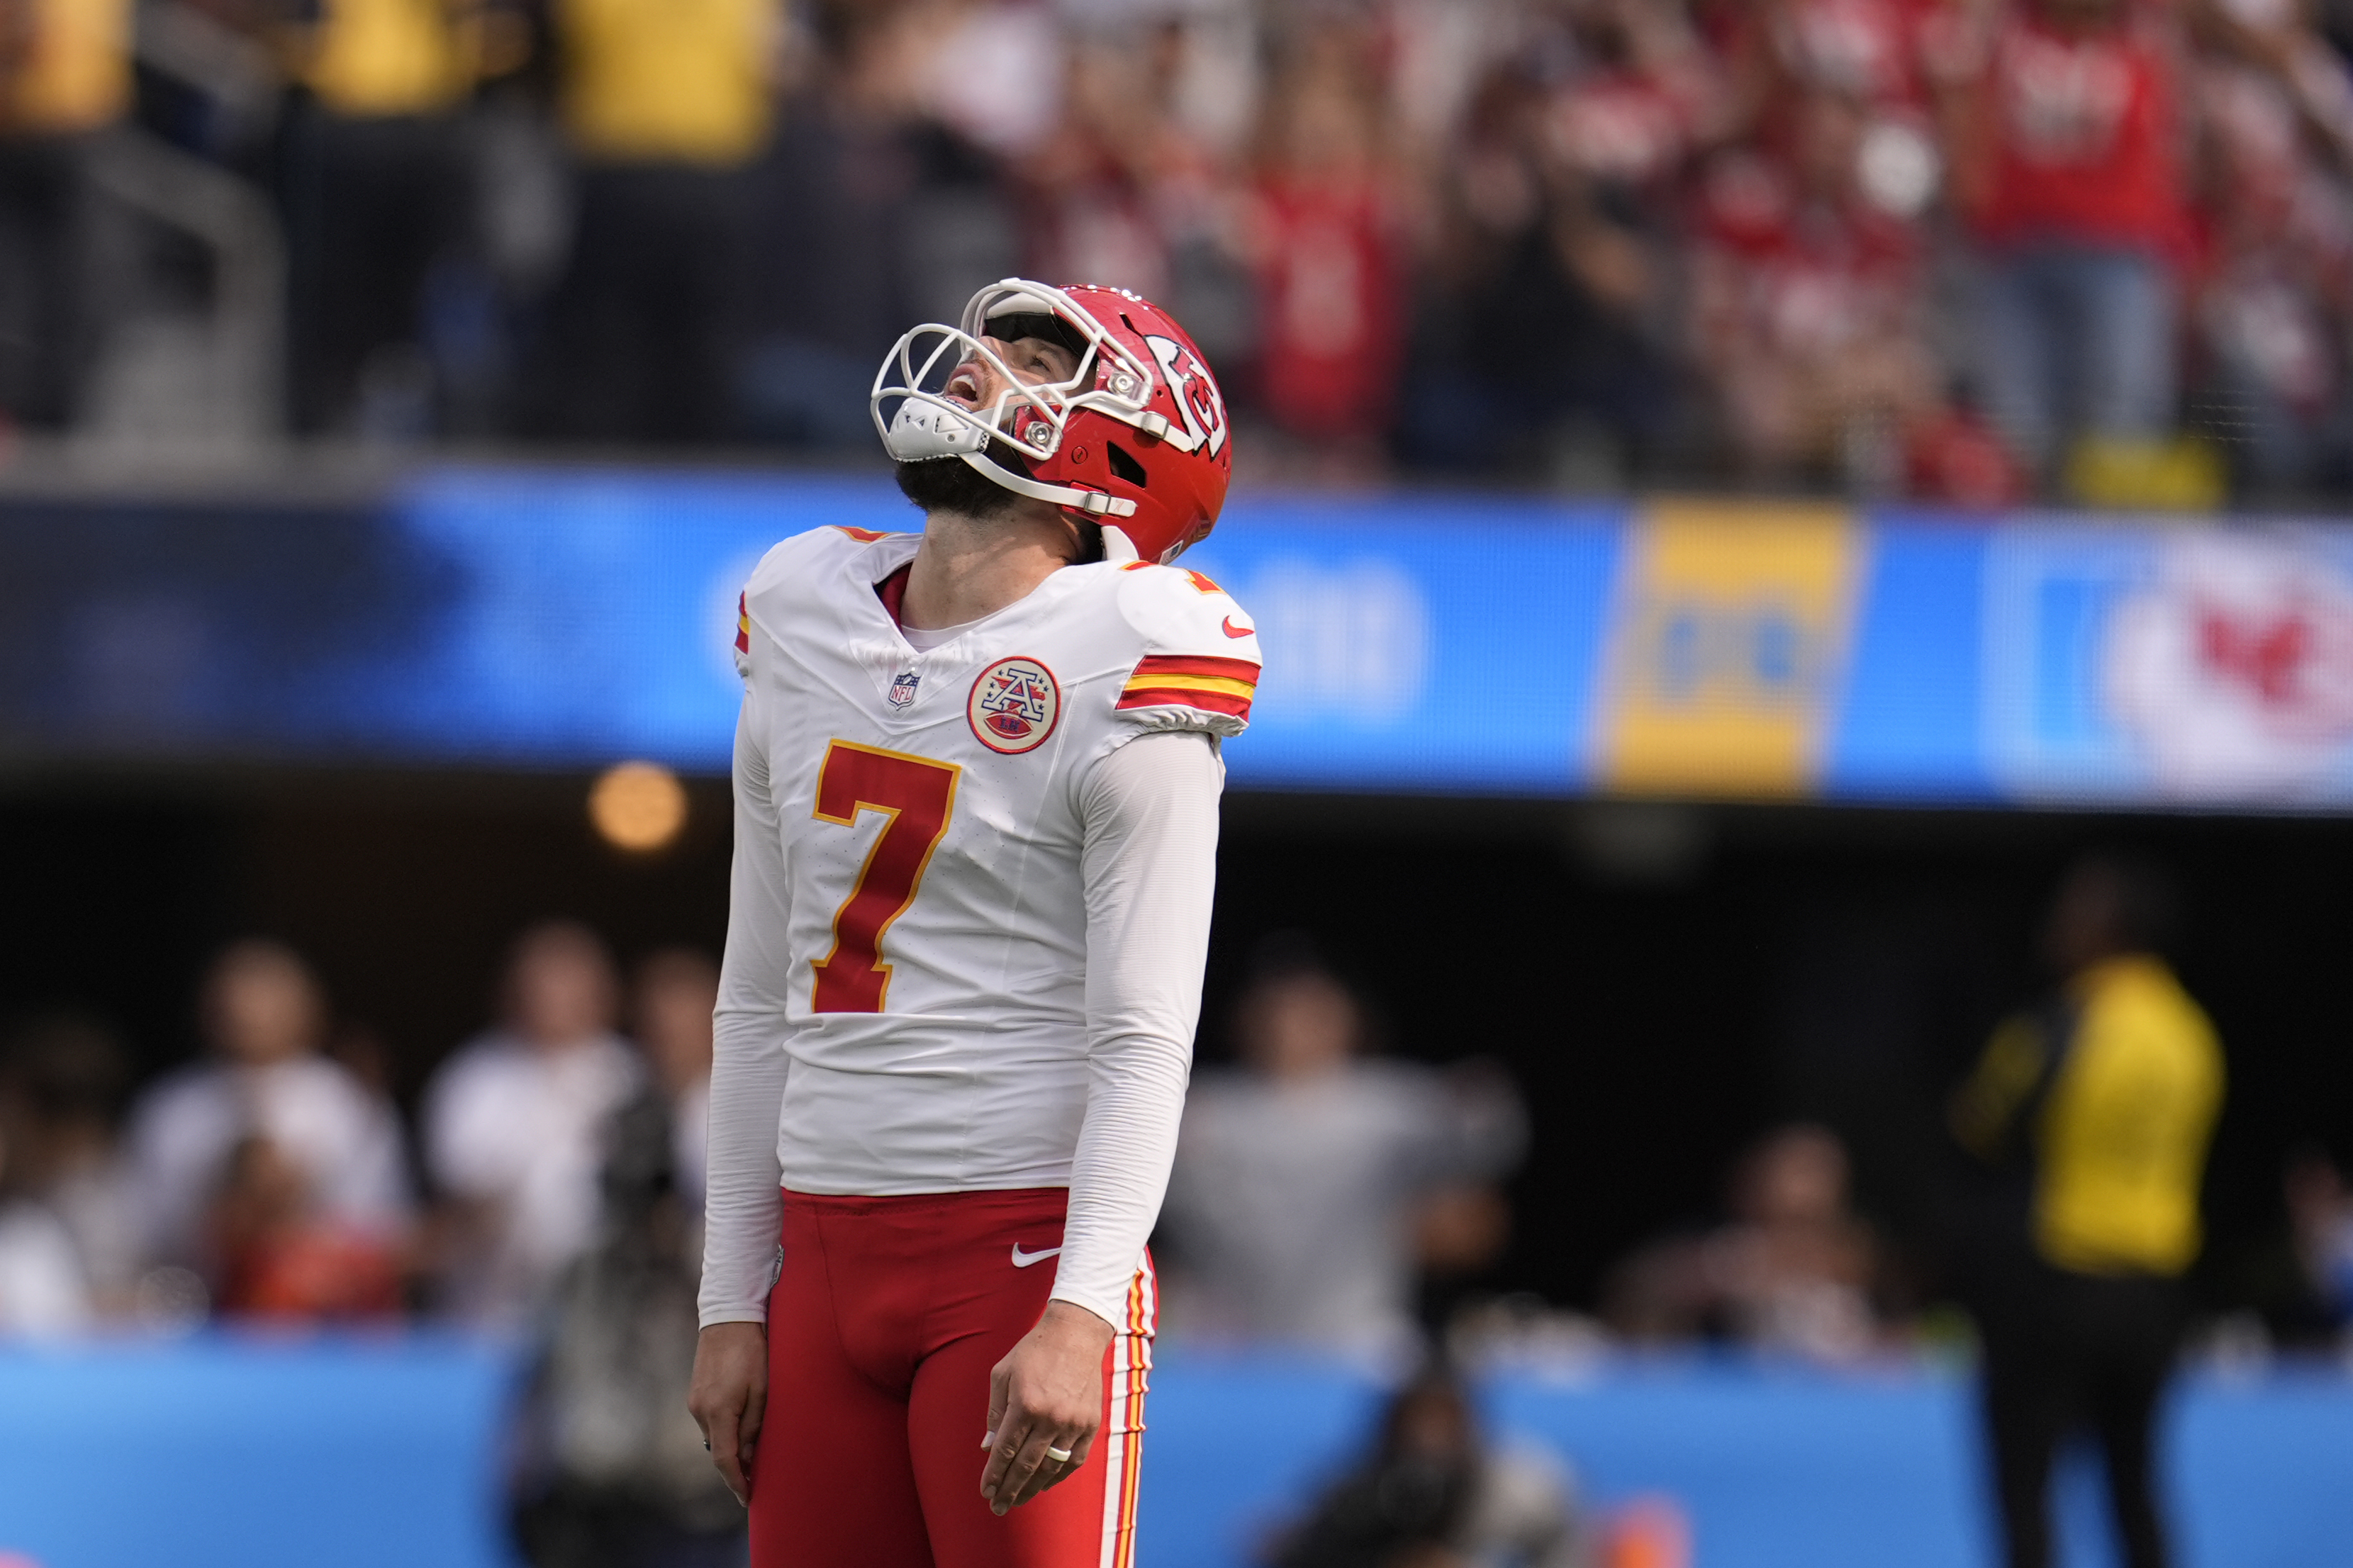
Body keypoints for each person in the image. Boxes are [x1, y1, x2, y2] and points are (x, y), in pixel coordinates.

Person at [688, 276, 1250, 1568]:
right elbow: (754, 989)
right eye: (988, 341)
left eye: (1037, 354)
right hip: (820, 1260)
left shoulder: (1131, 648)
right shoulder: (801, 604)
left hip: (1016, 1249)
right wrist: (732, 1300)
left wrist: (1081, 1308)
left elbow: (1145, 1030)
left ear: (1121, 440)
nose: (979, 364)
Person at [1949, 855, 2225, 1568]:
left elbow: (1983, 1125)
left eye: (2072, 910)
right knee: (2134, 1484)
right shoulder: (2190, 1035)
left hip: (2058, 1277)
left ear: (2107, 927)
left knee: (2024, 1484)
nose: (2055, 924)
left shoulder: (2063, 1021)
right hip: (2156, 1290)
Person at [1161, 951, 1527, 1360]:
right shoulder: (1201, 1112)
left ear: (1347, 1018)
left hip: (1359, 1342)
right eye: (1279, 1008)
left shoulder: (1390, 1104)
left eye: (1312, 1009)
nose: (1292, 1023)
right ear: (1244, 1019)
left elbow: (1492, 1133)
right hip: (1228, 1349)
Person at [125, 940, 411, 1280]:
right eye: (233, 999)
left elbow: (383, 1226)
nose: (245, 1013)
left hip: (329, 1310)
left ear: (308, 1008)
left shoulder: (349, 1102)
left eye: (265, 998)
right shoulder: (171, 1107)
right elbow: (145, 1229)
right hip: (196, 1307)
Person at [424, 919, 644, 1326]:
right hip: (492, 1310)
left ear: (603, 995)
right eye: (542, 987)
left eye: (571, 986)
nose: (555, 1000)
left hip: (605, 1312)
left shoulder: (631, 1079)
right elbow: (460, 1198)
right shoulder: (475, 1078)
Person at [1603, 1123, 1887, 1360]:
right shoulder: (1728, 1251)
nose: (1805, 1192)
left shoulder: (1861, 1256)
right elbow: (1637, 1289)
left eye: (1821, 1173)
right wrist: (1720, 1277)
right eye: (1794, 1173)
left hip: (1838, 1404)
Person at [1267, 1362, 1584, 1568]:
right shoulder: (1354, 1494)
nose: (1426, 1440)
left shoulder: (1529, 1493)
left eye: (1444, 1424)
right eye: (1414, 1423)